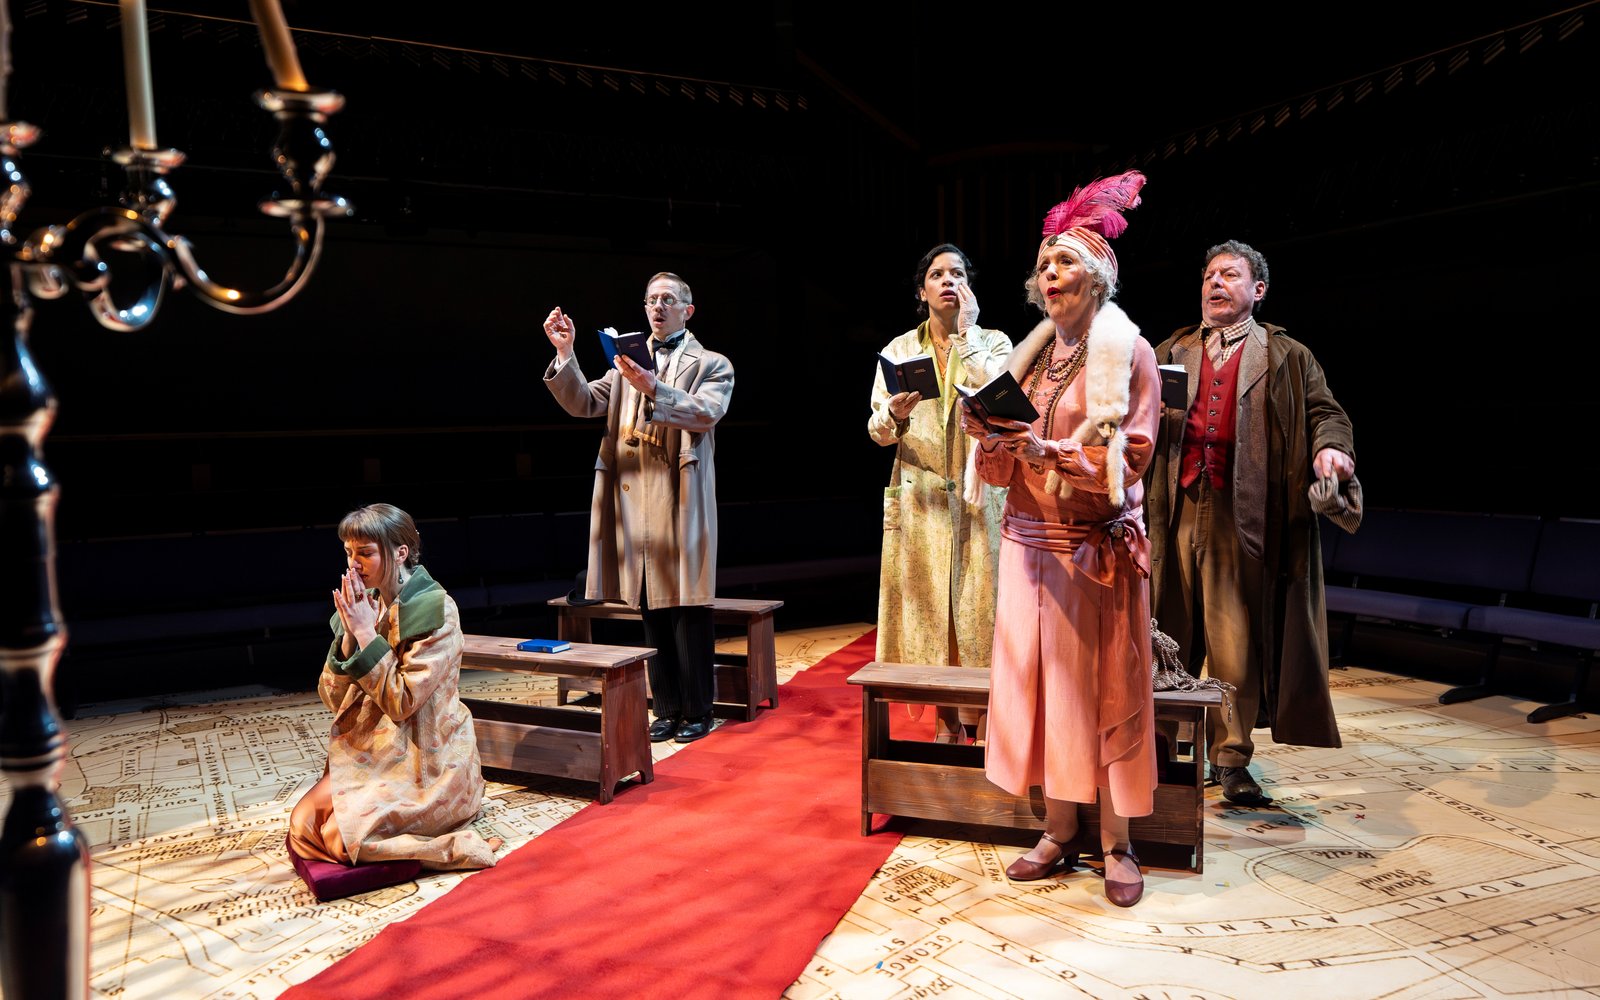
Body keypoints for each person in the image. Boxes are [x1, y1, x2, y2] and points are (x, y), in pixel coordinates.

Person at [961, 170, 1158, 906]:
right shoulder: (1033, 356)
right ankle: (1057, 827)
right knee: (1042, 695)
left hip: (1090, 553)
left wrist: (1051, 455)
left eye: (1064, 262)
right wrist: (989, 436)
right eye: (1043, 264)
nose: (1049, 274)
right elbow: (1002, 457)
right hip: (1026, 547)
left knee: (1102, 695)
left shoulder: (1127, 353)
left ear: (1099, 277)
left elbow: (1131, 455)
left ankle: (1117, 843)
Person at [1145, 240, 1355, 805]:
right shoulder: (1171, 349)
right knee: (1165, 634)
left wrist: (1330, 451)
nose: (1215, 283)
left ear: (1257, 290)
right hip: (1174, 509)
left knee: (1233, 643)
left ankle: (1231, 759)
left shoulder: (1287, 356)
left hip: (1244, 514)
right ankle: (1165, 750)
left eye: (1229, 275)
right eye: (1209, 274)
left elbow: (1325, 413)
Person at [542, 272, 734, 744]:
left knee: (687, 604)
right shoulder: (625, 365)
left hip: (679, 494)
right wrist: (567, 355)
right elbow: (585, 403)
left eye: (668, 299)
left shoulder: (713, 363)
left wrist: (653, 387)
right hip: (634, 497)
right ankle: (666, 708)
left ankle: (698, 709)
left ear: (688, 311)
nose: (658, 306)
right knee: (649, 604)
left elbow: (706, 413)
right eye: (651, 299)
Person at [288, 503, 501, 870]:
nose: (354, 564)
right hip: (374, 749)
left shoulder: (437, 610)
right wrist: (350, 639)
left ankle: (452, 848)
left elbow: (402, 702)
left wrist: (367, 633)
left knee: (343, 839)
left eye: (366, 553)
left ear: (400, 552)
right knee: (303, 827)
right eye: (349, 553)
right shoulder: (365, 604)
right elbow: (333, 698)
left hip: (427, 761)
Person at [868, 243, 1012, 743]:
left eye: (958, 273)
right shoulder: (899, 349)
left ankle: (993, 729)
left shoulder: (994, 341)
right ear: (921, 290)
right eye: (937, 274)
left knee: (982, 614)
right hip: (921, 501)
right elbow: (876, 430)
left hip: (979, 500)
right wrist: (896, 414)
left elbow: (1004, 400)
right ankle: (947, 726)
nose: (948, 281)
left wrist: (968, 335)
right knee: (931, 618)